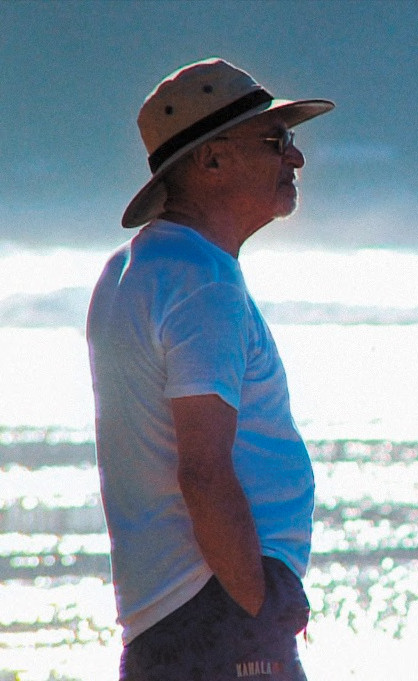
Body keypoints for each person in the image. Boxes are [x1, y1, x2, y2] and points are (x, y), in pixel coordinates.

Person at [86, 57, 334, 680]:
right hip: (220, 613)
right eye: (275, 140)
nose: (296, 157)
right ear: (212, 159)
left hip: (158, 616)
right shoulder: (203, 283)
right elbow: (202, 470)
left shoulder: (130, 271)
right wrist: (259, 604)